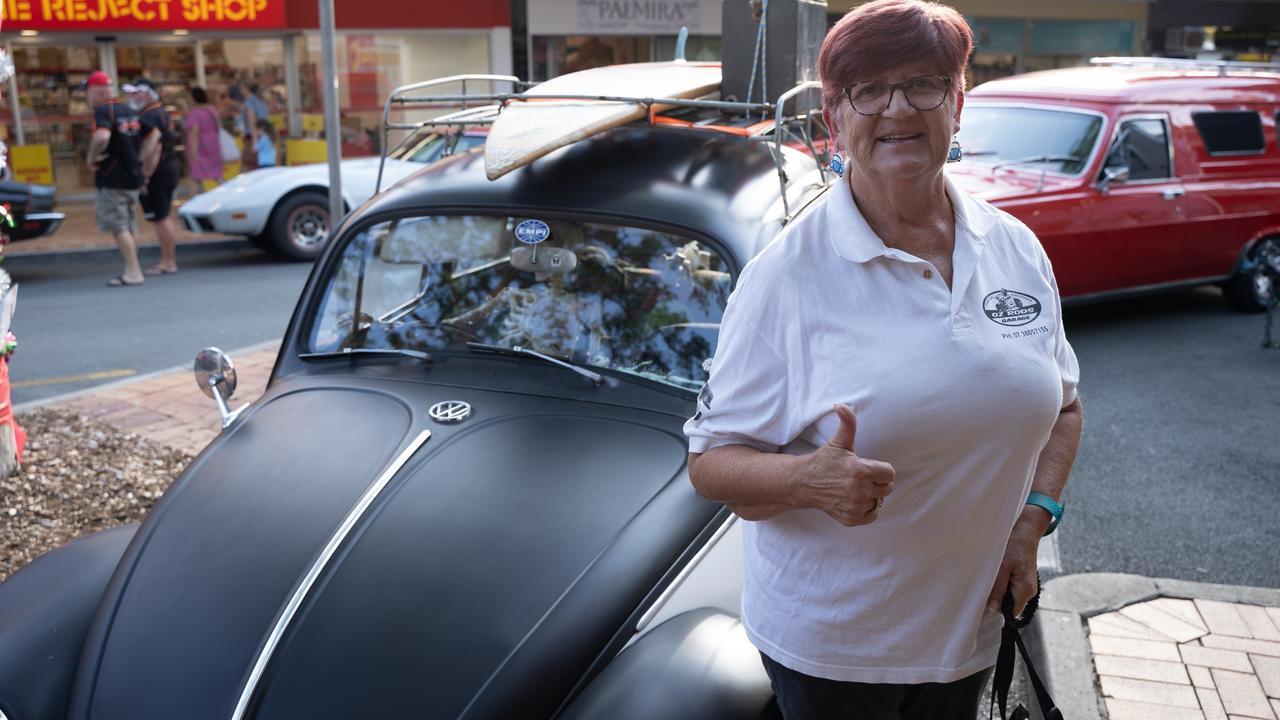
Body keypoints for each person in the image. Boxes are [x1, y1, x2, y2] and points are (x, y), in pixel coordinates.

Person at [683, 2, 1084, 718]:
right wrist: (808, 480)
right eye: (868, 90)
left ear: (957, 105)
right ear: (835, 121)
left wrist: (1030, 524)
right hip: (838, 651)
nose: (897, 106)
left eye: (924, 84)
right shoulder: (786, 277)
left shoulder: (1016, 248)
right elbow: (711, 466)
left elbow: (1065, 405)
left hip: (971, 630)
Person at [85, 70, 145, 287]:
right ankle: (132, 267)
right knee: (130, 225)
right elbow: (150, 138)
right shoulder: (129, 110)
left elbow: (102, 136)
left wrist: (91, 159)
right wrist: (140, 164)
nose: (87, 97)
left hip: (112, 178)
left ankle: (134, 271)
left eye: (88, 92)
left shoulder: (103, 111)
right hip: (131, 177)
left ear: (97, 91)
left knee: (120, 228)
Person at [125, 79, 180, 275]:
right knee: (162, 216)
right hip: (166, 170)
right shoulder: (158, 113)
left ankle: (168, 261)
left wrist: (145, 176)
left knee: (161, 217)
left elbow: (154, 147)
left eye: (135, 93)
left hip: (159, 173)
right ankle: (168, 260)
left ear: (147, 94)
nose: (131, 97)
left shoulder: (150, 116)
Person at [185, 87, 224, 194]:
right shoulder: (212, 110)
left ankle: (195, 203)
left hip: (199, 148)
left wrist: (192, 151)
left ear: (193, 98)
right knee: (217, 175)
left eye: (189, 96)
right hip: (214, 146)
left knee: (196, 177)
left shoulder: (195, 113)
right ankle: (227, 194)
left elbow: (194, 132)